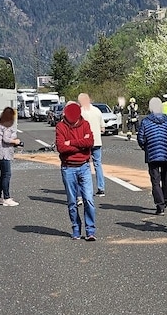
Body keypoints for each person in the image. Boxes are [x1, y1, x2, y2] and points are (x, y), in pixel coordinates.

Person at [55, 102, 97, 241]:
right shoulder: (61, 126)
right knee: (72, 201)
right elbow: (61, 147)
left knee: (89, 200)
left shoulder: (85, 124)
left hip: (84, 166)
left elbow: (90, 142)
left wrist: (70, 142)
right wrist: (80, 143)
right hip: (68, 168)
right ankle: (76, 229)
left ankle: (90, 230)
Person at [137, 97, 167, 215]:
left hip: (152, 154)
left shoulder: (145, 121)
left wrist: (145, 148)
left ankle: (160, 205)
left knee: (155, 180)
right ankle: (165, 199)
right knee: (166, 179)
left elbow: (141, 138)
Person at [0, 107, 21, 206]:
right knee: (7, 174)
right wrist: (16, 141)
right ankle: (6, 198)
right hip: (4, 152)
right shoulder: (6, 126)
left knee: (3, 174)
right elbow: (6, 139)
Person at [78, 93, 106, 197]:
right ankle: (101, 187)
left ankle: (86, 188)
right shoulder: (97, 111)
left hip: (85, 142)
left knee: (85, 165)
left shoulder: (81, 112)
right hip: (97, 141)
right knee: (98, 164)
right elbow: (103, 128)